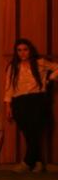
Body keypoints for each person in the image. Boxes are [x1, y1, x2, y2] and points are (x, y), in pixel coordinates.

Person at [4, 38, 57, 172]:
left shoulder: (40, 63)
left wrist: (50, 78)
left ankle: (27, 162)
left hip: (36, 100)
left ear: (30, 50)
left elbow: (57, 68)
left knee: (35, 131)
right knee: (28, 133)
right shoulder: (13, 67)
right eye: (19, 50)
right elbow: (9, 87)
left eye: (25, 49)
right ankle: (38, 162)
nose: (22, 53)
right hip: (19, 102)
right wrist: (8, 106)